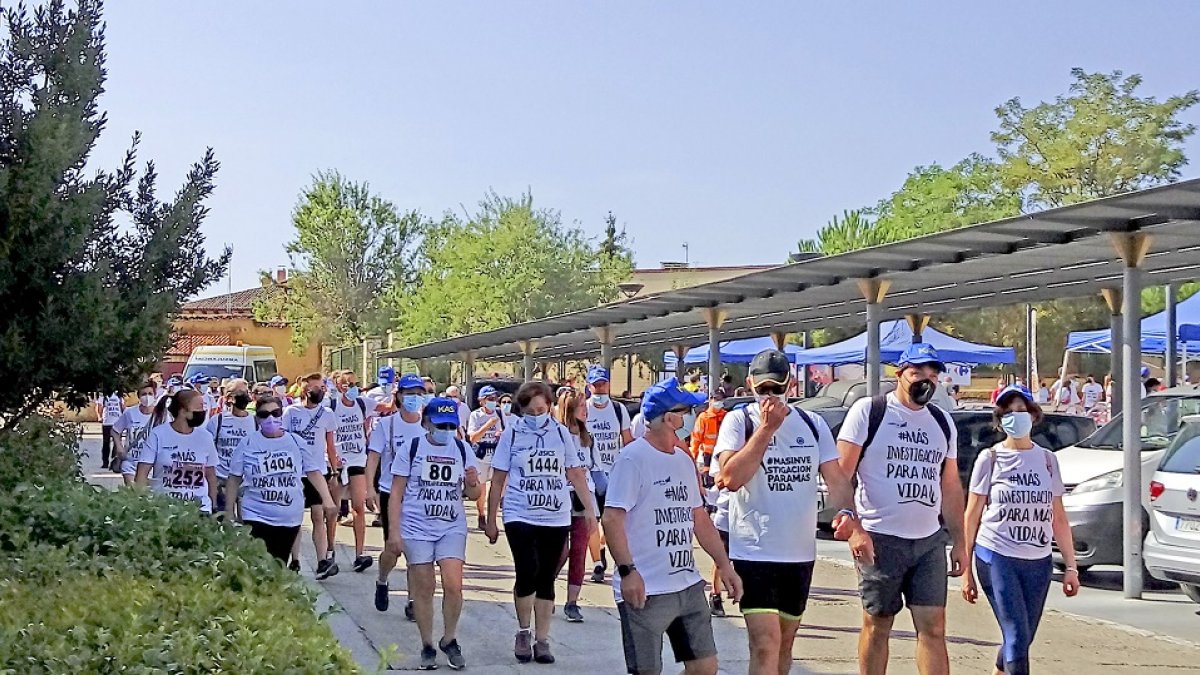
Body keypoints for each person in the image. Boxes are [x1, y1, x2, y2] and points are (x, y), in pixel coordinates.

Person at [715, 349, 870, 675]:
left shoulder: (812, 424)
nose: (769, 397)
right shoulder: (739, 421)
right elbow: (730, 478)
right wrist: (766, 430)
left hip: (798, 553)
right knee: (765, 643)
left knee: (785, 644)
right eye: (762, 390)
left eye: (777, 389)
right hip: (754, 551)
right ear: (749, 386)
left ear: (791, 386)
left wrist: (849, 517)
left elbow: (837, 480)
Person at [837, 343, 965, 675]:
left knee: (934, 627)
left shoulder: (941, 421)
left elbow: (950, 486)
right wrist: (854, 528)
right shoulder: (870, 411)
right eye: (918, 373)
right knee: (878, 623)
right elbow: (840, 476)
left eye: (933, 374)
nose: (926, 380)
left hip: (928, 541)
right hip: (880, 539)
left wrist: (961, 542)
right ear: (900, 374)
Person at [602, 377, 743, 675]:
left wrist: (724, 564)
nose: (692, 416)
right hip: (646, 589)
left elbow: (699, 518)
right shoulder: (633, 459)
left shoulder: (682, 458)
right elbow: (612, 518)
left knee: (705, 667)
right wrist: (628, 572)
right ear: (669, 418)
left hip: (687, 584)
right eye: (686, 410)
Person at [962, 384, 1080, 675]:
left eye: (1021, 410)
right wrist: (965, 569)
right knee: (1015, 634)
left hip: (1037, 561)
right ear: (1000, 420)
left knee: (1023, 637)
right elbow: (972, 513)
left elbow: (1058, 518)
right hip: (997, 555)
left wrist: (1071, 566)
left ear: (1034, 415)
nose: (1016, 417)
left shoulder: (1047, 460)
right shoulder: (990, 459)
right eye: (1009, 412)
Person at [485, 381, 596, 664]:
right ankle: (523, 631)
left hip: (555, 515)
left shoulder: (560, 434)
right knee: (527, 571)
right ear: (522, 411)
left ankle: (542, 639)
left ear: (549, 406)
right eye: (531, 411)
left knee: (546, 577)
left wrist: (591, 511)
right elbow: (497, 478)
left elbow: (575, 473)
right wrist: (491, 517)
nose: (537, 415)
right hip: (519, 512)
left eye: (541, 409)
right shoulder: (511, 434)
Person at [386, 397, 482, 670]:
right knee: (424, 587)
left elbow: (473, 493)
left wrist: (474, 483)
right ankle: (427, 644)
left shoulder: (463, 450)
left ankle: (449, 639)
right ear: (426, 422)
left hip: (451, 525)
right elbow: (396, 492)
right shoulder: (412, 448)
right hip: (416, 526)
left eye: (451, 425)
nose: (446, 430)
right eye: (441, 425)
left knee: (453, 584)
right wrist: (394, 532)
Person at [226, 394, 337, 561]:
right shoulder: (247, 443)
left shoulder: (296, 442)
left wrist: (327, 500)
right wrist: (229, 510)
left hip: (289, 516)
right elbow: (234, 478)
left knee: (279, 563)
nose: (270, 418)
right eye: (264, 414)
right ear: (257, 418)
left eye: (275, 413)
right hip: (256, 513)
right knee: (260, 563)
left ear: (281, 414)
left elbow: (313, 472)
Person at [366, 374, 428, 615]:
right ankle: (382, 579)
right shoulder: (387, 425)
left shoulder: (428, 424)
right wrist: (369, 488)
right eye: (409, 394)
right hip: (391, 492)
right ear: (399, 396)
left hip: (420, 495)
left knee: (417, 551)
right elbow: (374, 457)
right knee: (394, 548)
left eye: (418, 394)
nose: (414, 399)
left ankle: (413, 600)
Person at [283, 372, 341, 578]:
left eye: (323, 388)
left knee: (319, 515)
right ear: (306, 390)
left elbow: (330, 445)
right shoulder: (290, 412)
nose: (321, 391)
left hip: (318, 471)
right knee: (296, 518)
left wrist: (334, 472)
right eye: (317, 388)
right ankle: (295, 559)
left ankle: (322, 560)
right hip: (295, 473)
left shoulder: (326, 414)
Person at [583, 365, 633, 583]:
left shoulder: (618, 409)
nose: (600, 389)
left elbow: (627, 439)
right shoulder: (583, 409)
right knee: (592, 520)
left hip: (614, 473)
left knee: (611, 520)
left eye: (603, 384)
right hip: (591, 472)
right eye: (596, 385)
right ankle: (597, 563)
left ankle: (602, 548)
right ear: (589, 386)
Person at [553, 387, 598, 623]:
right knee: (560, 550)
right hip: (560, 496)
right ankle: (545, 587)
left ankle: (572, 602)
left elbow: (595, 468)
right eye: (581, 406)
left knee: (580, 549)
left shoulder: (587, 437)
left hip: (583, 496)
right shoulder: (557, 434)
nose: (586, 410)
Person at [328, 370, 380, 573]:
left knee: (358, 507)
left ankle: (359, 554)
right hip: (339, 460)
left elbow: (388, 407)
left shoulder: (362, 403)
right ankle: (329, 550)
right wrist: (331, 457)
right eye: (349, 383)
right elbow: (326, 433)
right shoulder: (331, 406)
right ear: (340, 386)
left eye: (355, 383)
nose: (353, 387)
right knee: (332, 510)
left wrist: (394, 389)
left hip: (358, 457)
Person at [135, 389, 218, 513]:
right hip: (164, 508)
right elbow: (142, 473)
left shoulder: (206, 437)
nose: (203, 412)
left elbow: (211, 476)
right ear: (183, 411)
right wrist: (140, 503)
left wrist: (214, 506)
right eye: (198, 408)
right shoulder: (158, 435)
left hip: (199, 509)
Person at [205, 378, 256, 516]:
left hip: (245, 480)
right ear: (229, 397)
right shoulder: (217, 421)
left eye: (246, 392)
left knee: (246, 525)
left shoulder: (255, 421)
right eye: (240, 392)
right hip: (221, 479)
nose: (244, 395)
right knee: (222, 521)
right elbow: (207, 449)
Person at [467, 385, 506, 531]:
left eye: (495, 398)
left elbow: (505, 432)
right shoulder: (475, 415)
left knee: (496, 486)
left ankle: (492, 516)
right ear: (482, 401)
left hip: (496, 453)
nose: (493, 401)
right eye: (490, 399)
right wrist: (488, 425)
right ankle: (481, 514)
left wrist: (501, 433)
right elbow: (473, 437)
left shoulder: (500, 414)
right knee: (482, 487)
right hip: (481, 454)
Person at [113, 381, 159, 486]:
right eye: (144, 394)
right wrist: (119, 447)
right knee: (133, 492)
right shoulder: (130, 413)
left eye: (150, 394)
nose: (147, 397)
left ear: (155, 395)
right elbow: (115, 430)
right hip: (131, 461)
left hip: (151, 464)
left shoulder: (161, 415)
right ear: (138, 396)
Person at [94, 391, 124, 471]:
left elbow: (122, 407)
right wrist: (99, 417)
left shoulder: (119, 396)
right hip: (107, 422)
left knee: (117, 443)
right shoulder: (103, 396)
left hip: (117, 422)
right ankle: (105, 462)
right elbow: (99, 407)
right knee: (106, 443)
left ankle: (115, 462)